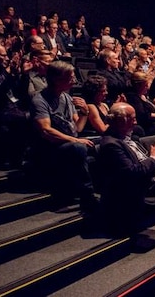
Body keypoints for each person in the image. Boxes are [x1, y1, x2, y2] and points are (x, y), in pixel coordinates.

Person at [99, 102, 155, 236]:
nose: (136, 122)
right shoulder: (111, 144)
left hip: (153, 172)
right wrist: (154, 156)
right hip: (145, 182)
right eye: (133, 118)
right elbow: (133, 173)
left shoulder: (128, 138)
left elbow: (143, 161)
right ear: (122, 121)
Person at [30, 60, 97, 212]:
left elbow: (77, 127)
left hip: (69, 141)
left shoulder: (66, 97)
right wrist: (75, 140)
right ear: (56, 79)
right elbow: (46, 131)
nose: (74, 81)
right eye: (70, 77)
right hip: (49, 147)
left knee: (104, 142)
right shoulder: (39, 100)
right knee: (78, 148)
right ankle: (87, 196)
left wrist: (85, 113)